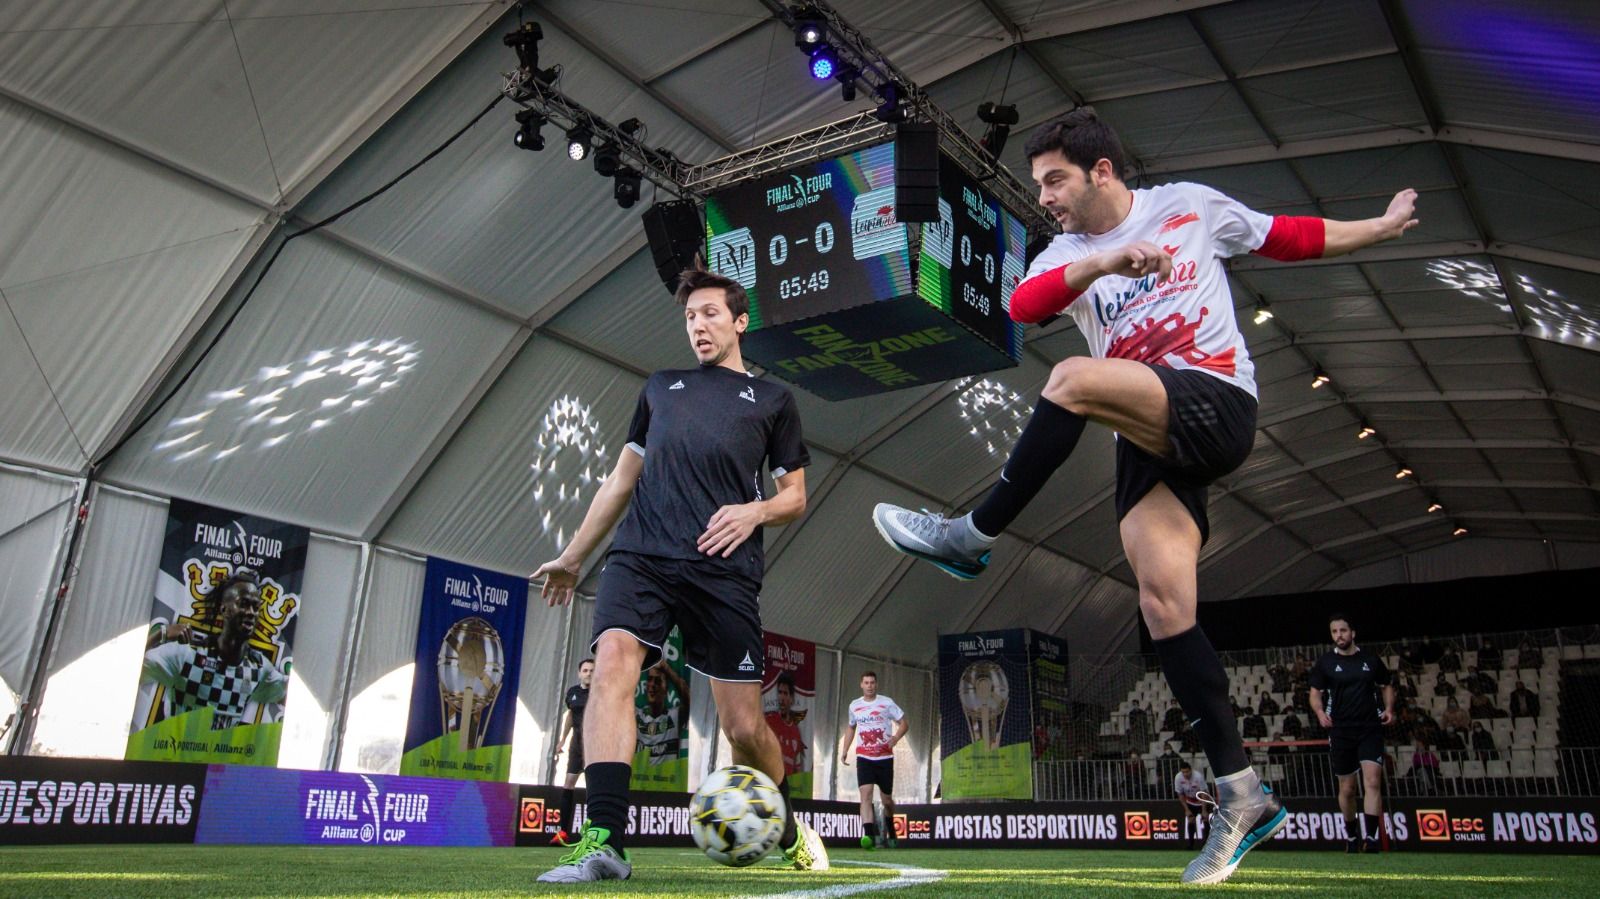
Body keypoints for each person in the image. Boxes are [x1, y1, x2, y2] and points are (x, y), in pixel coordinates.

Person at [870, 107, 1418, 882]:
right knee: (1165, 609)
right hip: (1148, 439)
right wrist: (1105, 263)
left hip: (1215, 400)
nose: (1046, 196)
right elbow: (1023, 307)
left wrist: (1381, 227)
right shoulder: (1065, 251)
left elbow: (1287, 235)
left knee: (1072, 378)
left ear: (1102, 171)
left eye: (1055, 179)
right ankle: (1242, 793)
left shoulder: (1187, 205)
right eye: (1038, 184)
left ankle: (973, 534)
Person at [530, 269, 826, 883]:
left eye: (711, 314)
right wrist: (575, 554)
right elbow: (621, 479)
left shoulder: (774, 402)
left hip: (723, 571)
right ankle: (604, 840)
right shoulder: (661, 387)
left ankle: (791, 827)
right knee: (612, 661)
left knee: (744, 728)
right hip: (641, 556)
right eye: (691, 316)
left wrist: (756, 510)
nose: (699, 325)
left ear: (740, 322)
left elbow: (795, 498)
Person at [137, 568, 288, 732]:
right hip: (174, 754)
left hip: (218, 757)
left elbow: (289, 697)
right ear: (224, 610)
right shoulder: (187, 654)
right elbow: (132, 669)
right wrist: (162, 634)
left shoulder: (259, 668)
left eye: (256, 607)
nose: (251, 613)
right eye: (243, 604)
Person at [1309, 613, 1395, 854]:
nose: (1339, 636)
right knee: (1348, 789)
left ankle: (1372, 839)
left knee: (1373, 781)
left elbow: (1386, 684)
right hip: (1341, 730)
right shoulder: (1325, 662)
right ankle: (1351, 836)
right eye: (1335, 632)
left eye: (1343, 631)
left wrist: (1388, 708)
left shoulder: (1370, 660)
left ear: (1353, 633)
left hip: (1369, 728)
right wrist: (1319, 713)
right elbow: (1315, 693)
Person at [839, 672, 908, 849]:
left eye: (872, 683)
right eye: (866, 682)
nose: (869, 685)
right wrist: (845, 749)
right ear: (861, 685)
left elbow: (904, 724)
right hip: (864, 758)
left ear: (876, 685)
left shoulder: (887, 703)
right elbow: (851, 727)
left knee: (886, 800)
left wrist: (895, 738)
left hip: (884, 759)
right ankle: (869, 835)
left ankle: (890, 826)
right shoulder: (854, 706)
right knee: (866, 795)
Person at [550, 658, 594, 842]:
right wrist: (562, 740)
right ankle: (562, 832)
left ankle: (593, 833)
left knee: (594, 788)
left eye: (592, 670)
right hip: (576, 744)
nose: (589, 673)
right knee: (568, 784)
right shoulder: (573, 693)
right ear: (579, 673)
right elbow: (570, 715)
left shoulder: (601, 691)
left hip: (595, 743)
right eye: (585, 670)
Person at [636, 660, 689, 766]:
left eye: (658, 681)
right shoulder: (637, 716)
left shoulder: (674, 717)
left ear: (666, 690)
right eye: (650, 679)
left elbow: (689, 699)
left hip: (667, 780)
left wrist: (667, 669)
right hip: (641, 781)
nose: (652, 685)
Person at [765, 672, 808, 778]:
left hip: (784, 788)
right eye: (780, 692)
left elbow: (797, 767)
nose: (781, 697)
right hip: (768, 782)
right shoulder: (769, 721)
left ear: (791, 699)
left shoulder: (796, 732)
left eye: (785, 693)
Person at [1173, 761, 1212, 850]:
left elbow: (1204, 793)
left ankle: (1207, 845)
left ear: (1191, 770)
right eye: (1183, 772)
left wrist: (1204, 810)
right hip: (1190, 800)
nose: (1185, 774)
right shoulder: (1178, 778)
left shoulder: (1198, 776)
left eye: (1187, 772)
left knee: (1205, 819)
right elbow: (1180, 794)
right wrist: (1186, 809)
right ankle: (1190, 845)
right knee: (1190, 820)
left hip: (1202, 799)